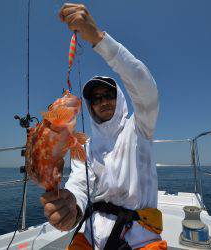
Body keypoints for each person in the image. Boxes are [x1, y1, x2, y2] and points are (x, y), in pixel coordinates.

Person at [40, 3, 167, 249]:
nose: (103, 101)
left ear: (119, 98)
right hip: (90, 237)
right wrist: (72, 207)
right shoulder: (83, 145)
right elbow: (78, 182)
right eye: (95, 98)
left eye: (108, 94)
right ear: (90, 106)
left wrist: (98, 39)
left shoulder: (139, 128)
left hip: (139, 240)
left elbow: (146, 90)